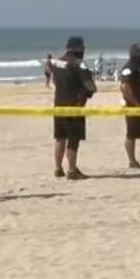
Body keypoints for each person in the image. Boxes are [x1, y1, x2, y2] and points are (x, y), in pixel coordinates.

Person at [50, 36, 97, 180]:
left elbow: (54, 80)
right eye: (82, 48)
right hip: (74, 105)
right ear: (78, 49)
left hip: (58, 104)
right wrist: (88, 91)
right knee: (73, 139)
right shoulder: (78, 64)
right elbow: (90, 86)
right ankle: (71, 170)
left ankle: (58, 168)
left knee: (60, 138)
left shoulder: (57, 62)